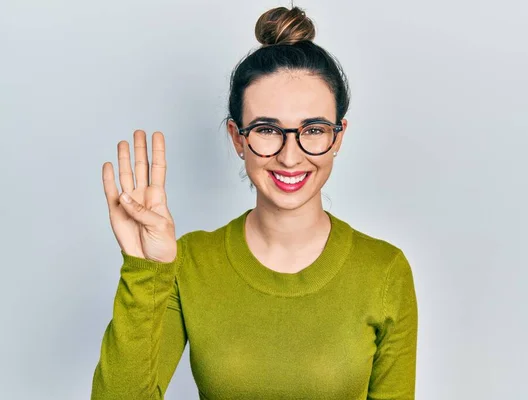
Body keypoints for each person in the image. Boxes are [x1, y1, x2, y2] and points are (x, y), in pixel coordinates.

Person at [91, 5, 418, 400]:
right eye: (267, 130)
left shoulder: (384, 271)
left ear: (339, 135)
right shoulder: (189, 261)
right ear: (237, 137)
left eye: (313, 129)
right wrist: (145, 269)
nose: (290, 156)